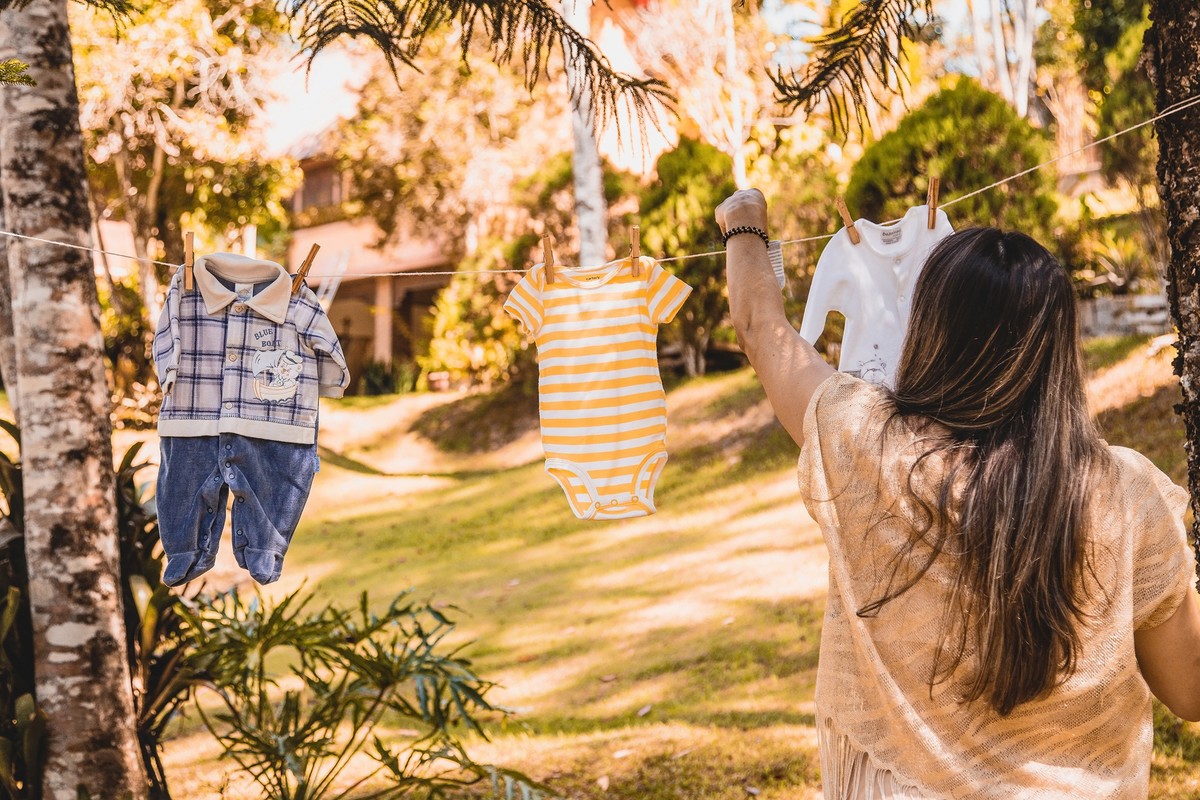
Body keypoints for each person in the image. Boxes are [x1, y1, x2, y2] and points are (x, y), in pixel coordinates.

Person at [715, 188, 1200, 799]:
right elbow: (1190, 689)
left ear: (931, 328)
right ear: (1057, 349)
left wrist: (745, 225)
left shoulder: (868, 445)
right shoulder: (1127, 496)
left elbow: (763, 328)